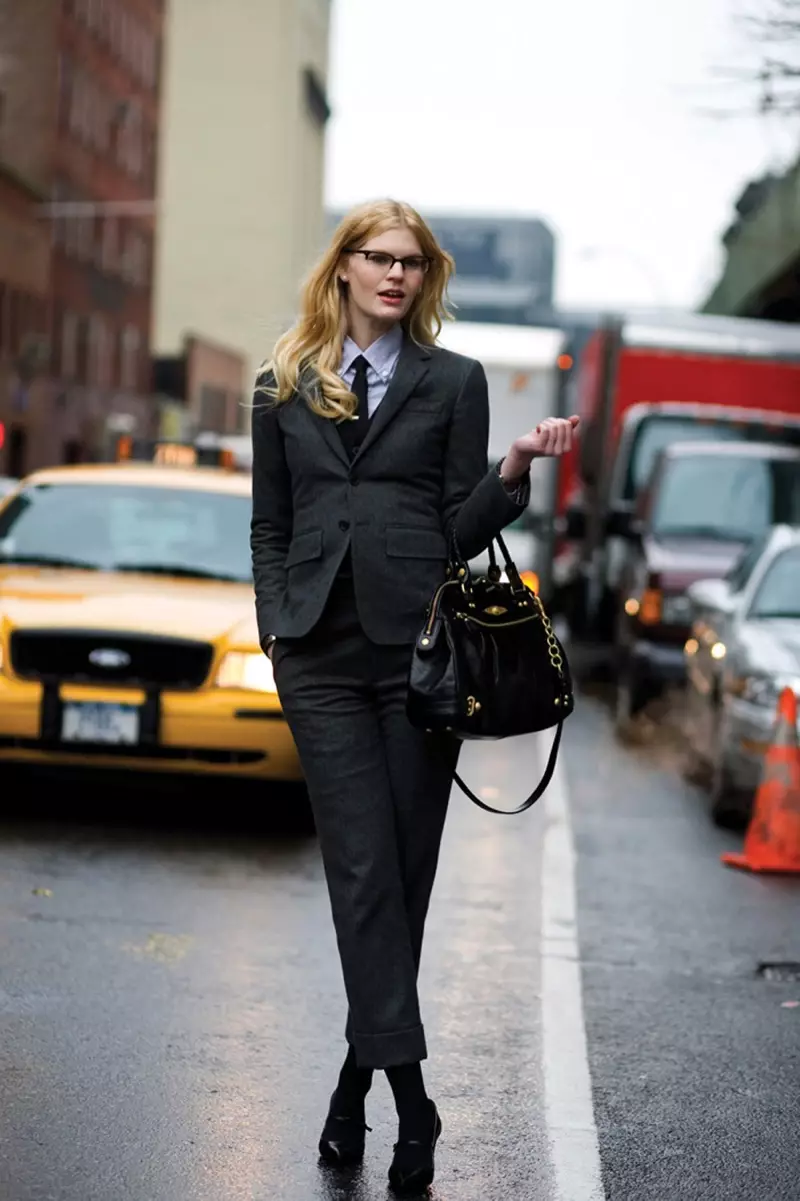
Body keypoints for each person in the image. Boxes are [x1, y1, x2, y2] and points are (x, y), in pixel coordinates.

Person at [250, 199, 578, 1194]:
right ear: (343, 267)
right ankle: (416, 1103)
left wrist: (511, 469)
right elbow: (270, 525)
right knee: (361, 869)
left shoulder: (452, 382)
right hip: (317, 655)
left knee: (402, 879)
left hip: (417, 657)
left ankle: (356, 1091)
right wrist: (274, 624)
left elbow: (454, 523)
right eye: (377, 258)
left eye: (410, 262)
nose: (394, 275)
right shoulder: (281, 382)